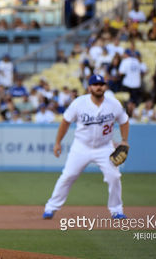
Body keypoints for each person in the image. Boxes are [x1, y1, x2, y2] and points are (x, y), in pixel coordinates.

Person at [42, 74, 129, 220]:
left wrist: (124, 141)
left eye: (101, 84)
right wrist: (58, 142)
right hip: (81, 147)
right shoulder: (79, 103)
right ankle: (51, 207)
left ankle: (116, 210)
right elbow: (65, 122)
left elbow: (124, 121)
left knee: (114, 177)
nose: (98, 87)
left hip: (104, 147)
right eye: (95, 84)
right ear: (89, 87)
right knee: (68, 176)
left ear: (105, 87)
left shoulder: (114, 104)